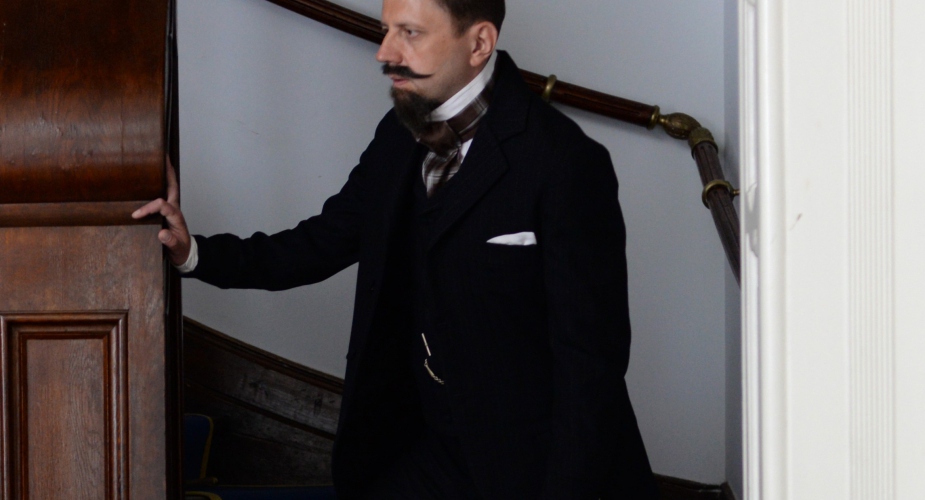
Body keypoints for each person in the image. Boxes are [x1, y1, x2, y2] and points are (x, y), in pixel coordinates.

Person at [135, 0, 658, 497]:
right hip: (427, 448)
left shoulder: (566, 162)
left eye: (410, 33)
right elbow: (320, 242)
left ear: (479, 43)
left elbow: (590, 369)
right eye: (387, 30)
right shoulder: (398, 134)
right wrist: (193, 252)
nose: (384, 52)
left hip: (533, 464)